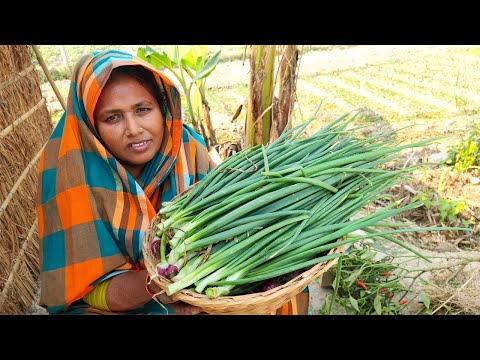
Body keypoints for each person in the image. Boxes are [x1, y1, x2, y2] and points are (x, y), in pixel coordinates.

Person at [36, 49, 309, 315]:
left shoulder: (186, 148)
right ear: (91, 125)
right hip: (127, 298)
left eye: (143, 109)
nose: (133, 129)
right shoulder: (72, 173)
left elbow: (232, 227)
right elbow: (89, 290)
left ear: (162, 106)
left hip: (200, 282)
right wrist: (163, 283)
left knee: (287, 290)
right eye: (113, 117)